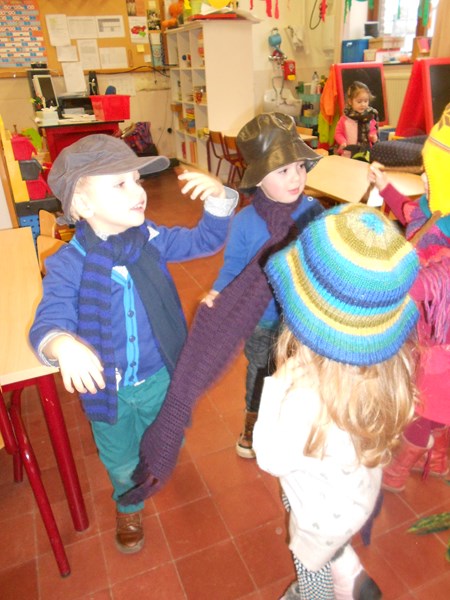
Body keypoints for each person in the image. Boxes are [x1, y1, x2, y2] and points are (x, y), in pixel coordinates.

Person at [29, 134, 239, 554]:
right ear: (82, 204)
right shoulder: (68, 264)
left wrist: (219, 199)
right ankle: (128, 504)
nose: (138, 191)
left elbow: (203, 241)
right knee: (121, 459)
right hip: (107, 390)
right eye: (120, 184)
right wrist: (62, 345)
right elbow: (49, 321)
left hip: (159, 374)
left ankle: (155, 460)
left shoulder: (150, 238)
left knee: (166, 437)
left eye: (137, 180)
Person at [253, 204, 420, 600]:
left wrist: (277, 384)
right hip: (355, 496)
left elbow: (270, 459)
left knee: (310, 567)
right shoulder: (385, 369)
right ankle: (350, 570)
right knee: (331, 540)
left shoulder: (302, 396)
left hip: (318, 519)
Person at [202, 112, 323, 459]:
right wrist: (218, 293)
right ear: (258, 179)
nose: (296, 177)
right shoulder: (244, 222)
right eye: (283, 171)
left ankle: (296, 423)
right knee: (261, 374)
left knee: (303, 373)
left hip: (302, 317)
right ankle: (253, 423)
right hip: (262, 320)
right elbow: (233, 268)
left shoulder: (313, 210)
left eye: (299, 166)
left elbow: (322, 256)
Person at [368, 103, 450, 492]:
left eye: (434, 175)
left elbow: (434, 282)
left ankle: (399, 469)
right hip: (425, 330)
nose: (424, 179)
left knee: (428, 404)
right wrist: (385, 185)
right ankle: (439, 457)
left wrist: (390, 286)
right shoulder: (434, 208)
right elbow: (409, 212)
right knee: (435, 400)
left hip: (442, 339)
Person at [335, 81, 379, 160]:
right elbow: (338, 133)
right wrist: (342, 141)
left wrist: (373, 136)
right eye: (359, 101)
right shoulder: (345, 119)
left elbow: (373, 130)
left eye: (366, 101)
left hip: (365, 154)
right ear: (350, 101)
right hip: (348, 154)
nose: (363, 104)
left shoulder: (369, 117)